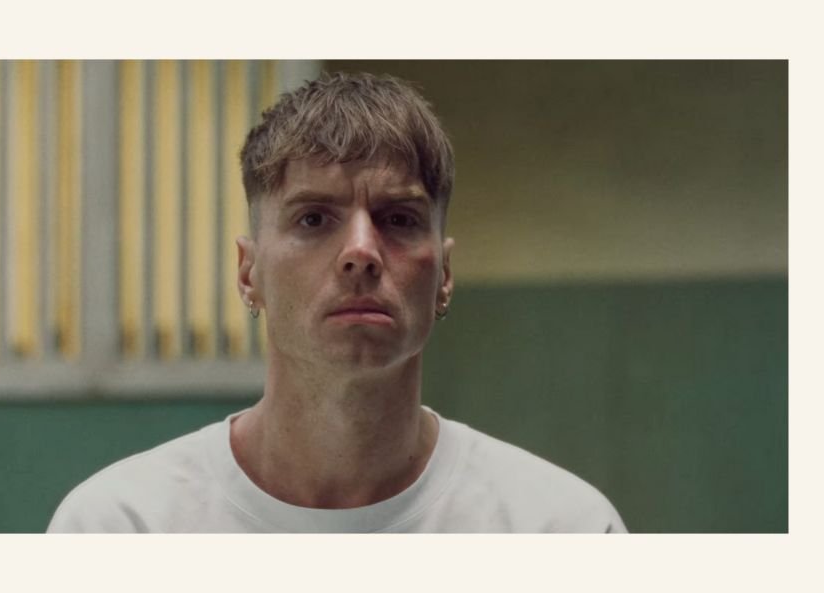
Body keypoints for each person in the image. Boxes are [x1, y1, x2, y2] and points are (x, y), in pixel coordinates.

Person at [47, 72, 626, 533]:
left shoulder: (560, 529)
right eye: (313, 219)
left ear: (444, 275)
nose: (361, 252)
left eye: (398, 219)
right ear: (249, 273)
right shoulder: (123, 527)